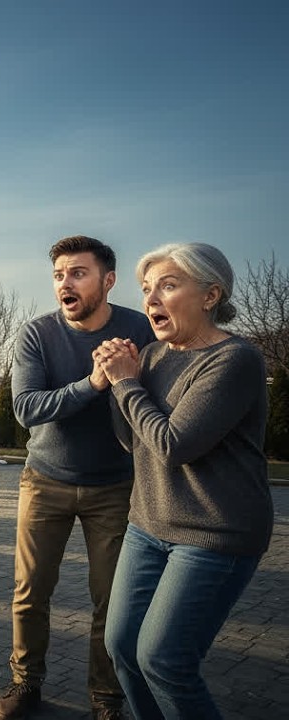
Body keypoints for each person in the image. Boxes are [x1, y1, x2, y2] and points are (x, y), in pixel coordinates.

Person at [94, 242, 272, 720]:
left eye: (168, 286)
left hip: (215, 533)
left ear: (211, 294)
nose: (151, 299)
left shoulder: (234, 360)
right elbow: (133, 442)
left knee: (165, 660)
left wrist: (127, 384)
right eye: (148, 288)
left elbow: (174, 446)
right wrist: (114, 378)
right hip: (148, 525)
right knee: (123, 648)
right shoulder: (150, 356)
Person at [0, 235, 155, 720]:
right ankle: (26, 684)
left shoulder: (140, 329)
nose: (65, 283)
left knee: (112, 600)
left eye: (78, 273)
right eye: (59, 275)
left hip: (116, 487)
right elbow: (26, 409)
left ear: (107, 281)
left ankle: (107, 697)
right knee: (30, 592)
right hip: (45, 480)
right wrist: (93, 383)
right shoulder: (36, 335)